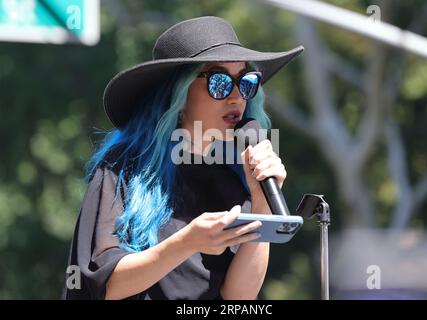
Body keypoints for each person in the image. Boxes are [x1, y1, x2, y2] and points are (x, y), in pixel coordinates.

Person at [62, 15, 303, 300]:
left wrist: (261, 205)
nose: (237, 97)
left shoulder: (235, 179)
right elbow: (104, 285)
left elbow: (239, 298)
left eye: (246, 81)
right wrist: (188, 241)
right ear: (178, 94)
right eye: (220, 82)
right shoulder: (123, 167)